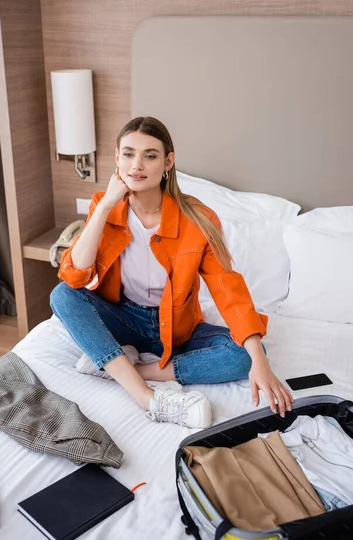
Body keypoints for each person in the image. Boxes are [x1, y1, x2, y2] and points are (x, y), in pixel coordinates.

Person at [50, 116, 293, 429]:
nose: (136, 164)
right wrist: (107, 204)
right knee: (63, 296)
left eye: (149, 155)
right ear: (117, 158)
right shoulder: (105, 206)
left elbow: (227, 289)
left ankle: (120, 367)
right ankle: (145, 396)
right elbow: (74, 276)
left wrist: (259, 360)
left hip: (178, 329)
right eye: (128, 154)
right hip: (125, 319)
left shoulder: (199, 218)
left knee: (245, 355)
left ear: (168, 162)